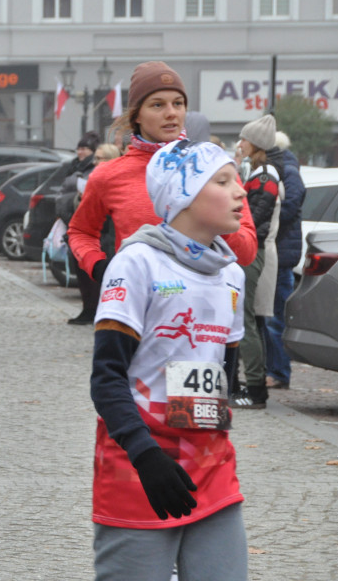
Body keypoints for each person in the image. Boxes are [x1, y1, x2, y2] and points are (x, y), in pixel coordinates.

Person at [91, 139, 248, 581]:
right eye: (222, 181)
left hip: (212, 468)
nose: (240, 192)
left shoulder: (232, 274)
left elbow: (222, 378)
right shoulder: (137, 263)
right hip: (138, 467)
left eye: (237, 178)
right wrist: (145, 455)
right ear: (183, 195)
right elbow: (106, 379)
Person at [68, 61, 257, 290]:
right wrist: (101, 268)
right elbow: (80, 232)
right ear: (137, 115)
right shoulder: (108, 174)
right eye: (157, 105)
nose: (171, 113)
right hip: (138, 305)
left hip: (205, 305)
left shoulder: (214, 166)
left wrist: (215, 223)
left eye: (178, 103)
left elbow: (247, 253)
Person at [232, 115, 284, 410]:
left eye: (244, 139)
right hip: (254, 249)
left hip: (253, 250)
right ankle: (251, 384)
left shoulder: (265, 175)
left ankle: (254, 388)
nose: (240, 144)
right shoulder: (260, 172)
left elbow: (255, 217)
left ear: (255, 144)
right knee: (247, 318)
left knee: (247, 318)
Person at [266, 130, 305, 390]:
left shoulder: (286, 170)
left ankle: (279, 372)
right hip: (280, 251)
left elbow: (290, 205)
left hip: (280, 253)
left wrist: (268, 218)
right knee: (271, 315)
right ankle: (276, 370)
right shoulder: (285, 168)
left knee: (274, 316)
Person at [57, 132, 101, 324]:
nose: (81, 152)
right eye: (79, 148)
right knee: (80, 271)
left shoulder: (92, 171)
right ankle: (87, 309)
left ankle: (94, 310)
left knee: (91, 273)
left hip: (89, 226)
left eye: (85, 148)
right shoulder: (74, 167)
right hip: (72, 222)